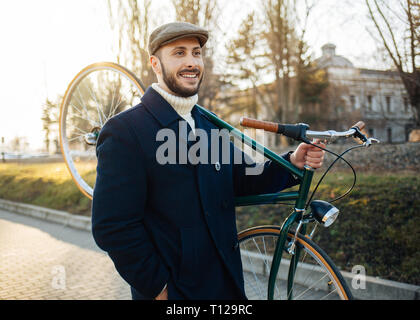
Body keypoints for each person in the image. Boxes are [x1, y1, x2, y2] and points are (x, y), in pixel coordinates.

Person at [91, 21, 325, 300]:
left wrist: (291, 163)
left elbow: (242, 176)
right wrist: (160, 289)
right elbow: (112, 226)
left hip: (227, 287)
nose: (191, 62)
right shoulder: (127, 130)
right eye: (179, 53)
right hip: (177, 294)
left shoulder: (208, 124)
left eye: (196, 53)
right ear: (155, 63)